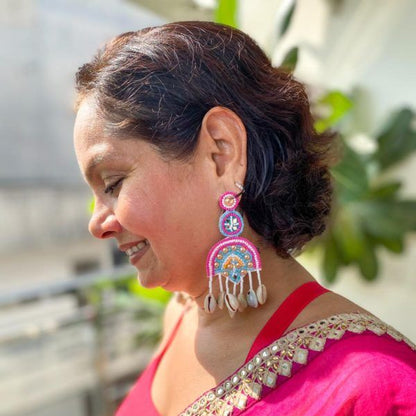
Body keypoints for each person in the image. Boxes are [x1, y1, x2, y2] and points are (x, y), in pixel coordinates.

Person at [73, 21, 416, 416]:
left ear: (222, 152)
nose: (97, 224)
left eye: (113, 183)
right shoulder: (180, 317)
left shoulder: (376, 388)